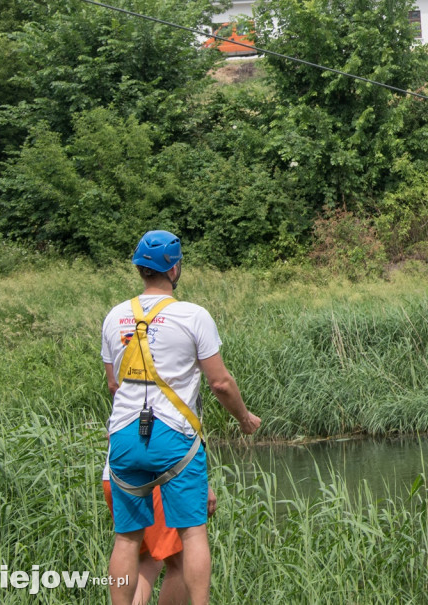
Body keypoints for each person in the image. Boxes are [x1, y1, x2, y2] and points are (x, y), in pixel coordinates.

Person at [103, 230, 261, 605]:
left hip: (123, 437)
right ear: (174, 268)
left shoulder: (114, 316)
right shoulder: (193, 315)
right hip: (174, 438)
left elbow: (113, 384)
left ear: (140, 269)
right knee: (192, 534)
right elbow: (220, 383)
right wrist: (244, 418)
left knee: (127, 538)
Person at [102, 457, 217, 605]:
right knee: (180, 562)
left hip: (115, 474)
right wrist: (202, 483)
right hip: (154, 479)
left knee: (147, 560)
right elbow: (172, 441)